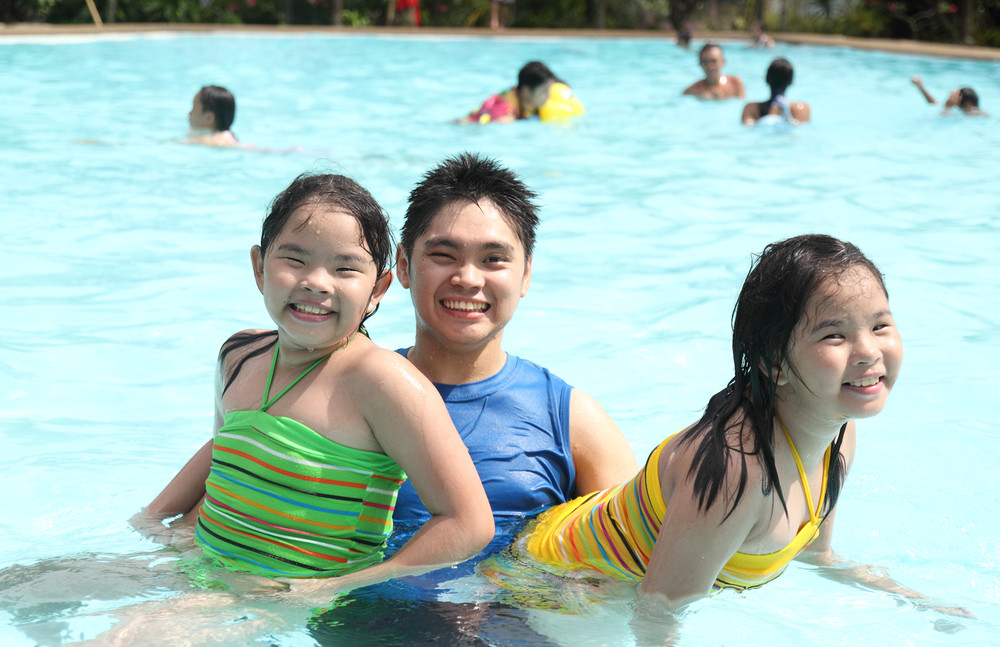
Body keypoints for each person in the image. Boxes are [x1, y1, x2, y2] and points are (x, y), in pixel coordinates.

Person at [516, 234, 961, 614]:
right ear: (772, 362)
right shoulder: (737, 472)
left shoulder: (838, 434)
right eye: (834, 335)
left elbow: (815, 556)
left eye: (880, 325)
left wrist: (915, 602)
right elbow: (657, 612)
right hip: (548, 581)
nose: (868, 351)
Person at [141, 172, 494, 593]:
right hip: (202, 565)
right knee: (42, 584)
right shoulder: (240, 355)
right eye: (294, 260)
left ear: (378, 288)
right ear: (259, 267)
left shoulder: (382, 382)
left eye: (345, 268)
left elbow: (469, 524)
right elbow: (231, 449)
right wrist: (153, 518)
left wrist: (338, 587)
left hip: (281, 594)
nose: (316, 283)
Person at [392, 152, 639, 530]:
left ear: (525, 275)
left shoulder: (572, 422)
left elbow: (632, 559)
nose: (469, 279)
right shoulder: (352, 393)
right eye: (443, 255)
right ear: (404, 266)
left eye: (493, 259)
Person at [457, 61, 584, 124]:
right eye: (544, 91)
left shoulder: (532, 103)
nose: (549, 96)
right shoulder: (505, 109)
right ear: (526, 91)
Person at [741, 57, 810, 125]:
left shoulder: (751, 109)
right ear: (791, 82)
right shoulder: (801, 109)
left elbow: (748, 128)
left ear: (766, 79)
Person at [911, 76, 987, 116]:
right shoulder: (961, 111)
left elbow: (942, 120)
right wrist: (920, 86)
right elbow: (934, 103)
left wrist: (947, 109)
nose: (953, 101)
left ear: (968, 104)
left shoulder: (977, 114)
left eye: (956, 98)